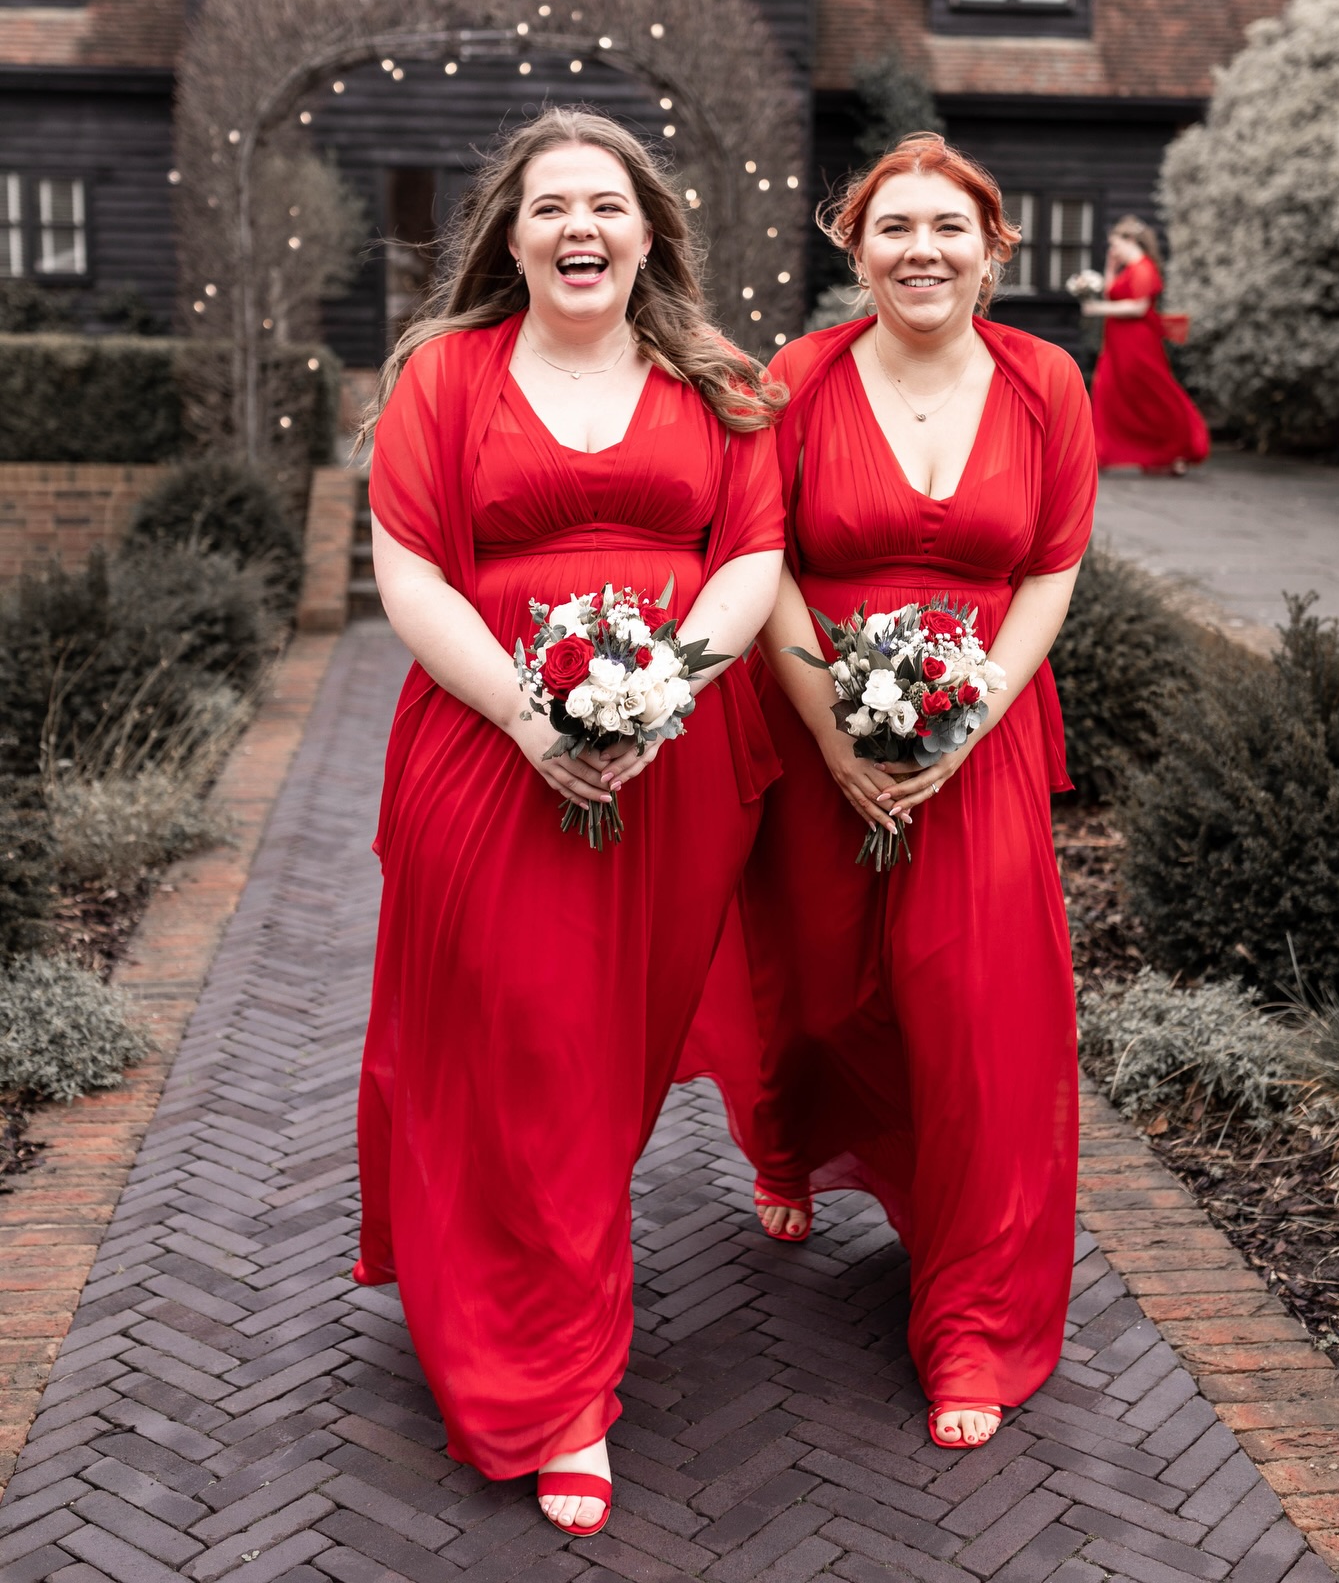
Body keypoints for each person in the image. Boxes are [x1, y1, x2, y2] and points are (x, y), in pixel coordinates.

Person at [352, 110, 785, 1535]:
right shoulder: (444, 376)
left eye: (606, 203)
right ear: (512, 235)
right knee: (523, 1046)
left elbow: (751, 558)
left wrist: (661, 705)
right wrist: (538, 724)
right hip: (491, 756)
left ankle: (528, 1282)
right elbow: (410, 573)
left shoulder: (719, 380)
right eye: (550, 207)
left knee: (603, 1068)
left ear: (649, 227)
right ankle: (557, 1393)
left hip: (672, 772)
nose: (578, 227)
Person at [732, 133, 1096, 1453]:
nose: (923, 250)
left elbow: (1054, 564)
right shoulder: (797, 379)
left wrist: (974, 714)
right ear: (856, 246)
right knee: (825, 992)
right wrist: (833, 732)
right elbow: (757, 557)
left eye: (951, 227)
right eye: (896, 228)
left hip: (979, 740)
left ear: (991, 246)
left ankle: (971, 1320)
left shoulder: (1047, 378)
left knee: (977, 1019)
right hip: (819, 716)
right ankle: (792, 1138)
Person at [1083, 214, 1208, 473]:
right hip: (1117, 343)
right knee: (1109, 390)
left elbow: (1138, 307)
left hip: (1136, 343)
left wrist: (1098, 308)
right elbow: (1113, 292)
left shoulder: (1143, 268)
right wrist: (1110, 267)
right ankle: (1102, 451)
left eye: (1115, 244)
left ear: (1130, 240)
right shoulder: (1129, 269)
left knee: (1151, 394)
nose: (1112, 249)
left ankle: (1179, 447)